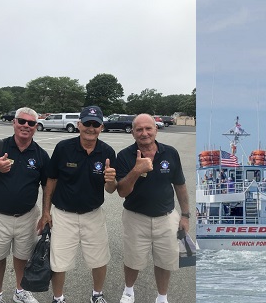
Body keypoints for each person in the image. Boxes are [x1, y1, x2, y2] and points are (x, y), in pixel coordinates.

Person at [0, 107, 49, 303]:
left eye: (31, 123)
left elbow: (48, 185)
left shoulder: (40, 154)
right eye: (22, 121)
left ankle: (20, 291)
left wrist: (46, 213)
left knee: (23, 256)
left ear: (35, 127)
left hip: (27, 215)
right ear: (14, 122)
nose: (26, 126)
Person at [41, 106, 117, 303]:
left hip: (93, 214)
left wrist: (110, 180)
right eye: (87, 123)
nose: (91, 128)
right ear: (79, 124)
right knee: (59, 262)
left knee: (100, 259)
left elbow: (110, 189)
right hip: (63, 215)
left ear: (101, 127)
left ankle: (97, 295)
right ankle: (58, 298)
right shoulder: (63, 148)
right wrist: (45, 212)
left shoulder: (107, 152)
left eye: (95, 124)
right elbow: (51, 180)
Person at [111, 114, 187, 303]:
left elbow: (180, 185)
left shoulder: (170, 153)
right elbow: (122, 192)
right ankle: (128, 291)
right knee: (132, 259)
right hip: (135, 217)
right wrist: (136, 170)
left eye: (148, 128)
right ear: (133, 133)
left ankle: (162, 297)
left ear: (156, 129)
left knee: (166, 260)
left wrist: (185, 215)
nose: (144, 133)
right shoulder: (124, 156)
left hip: (167, 217)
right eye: (139, 130)